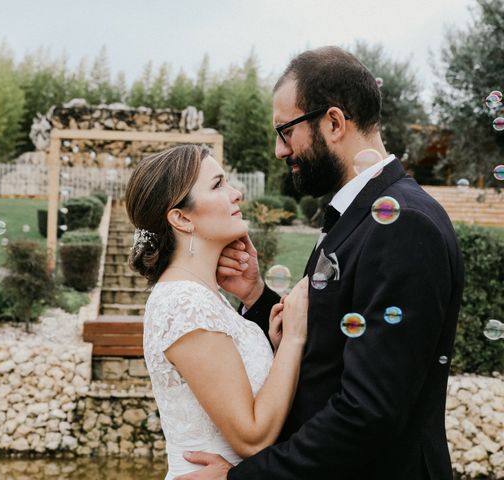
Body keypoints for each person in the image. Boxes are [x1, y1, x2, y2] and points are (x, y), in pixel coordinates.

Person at [179, 46, 465, 480]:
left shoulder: (404, 225)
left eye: (285, 131)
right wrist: (258, 297)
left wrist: (239, 478)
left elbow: (367, 412)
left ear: (333, 123)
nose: (279, 150)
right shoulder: (361, 213)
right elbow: (327, 352)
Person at [125, 144, 310, 480]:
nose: (236, 193)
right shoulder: (184, 303)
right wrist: (296, 337)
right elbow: (251, 437)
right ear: (181, 218)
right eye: (217, 185)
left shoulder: (205, 298)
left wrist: (264, 315)